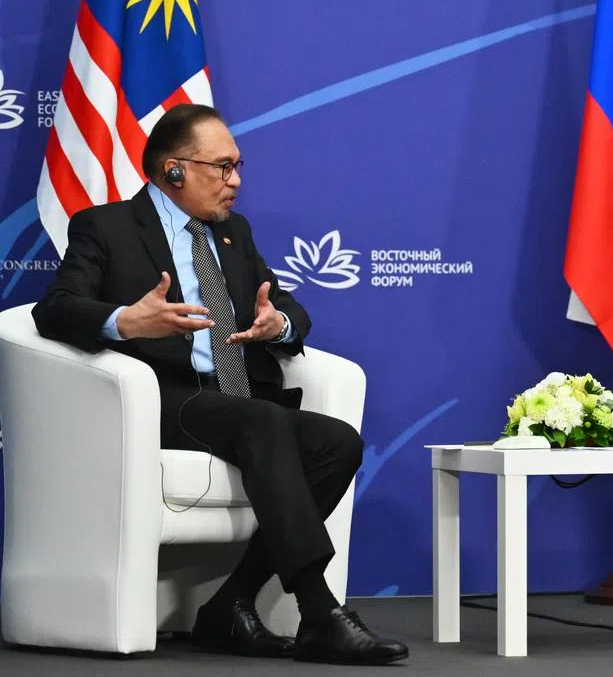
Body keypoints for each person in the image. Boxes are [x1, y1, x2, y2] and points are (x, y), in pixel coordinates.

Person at [32, 104, 408, 666]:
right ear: (173, 170)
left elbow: (282, 303)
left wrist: (275, 324)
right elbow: (54, 310)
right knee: (264, 421)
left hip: (239, 400)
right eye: (223, 167)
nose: (237, 181)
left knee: (338, 442)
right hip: (163, 399)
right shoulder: (105, 227)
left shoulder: (234, 233)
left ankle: (229, 604)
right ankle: (320, 611)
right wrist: (126, 321)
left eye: (237, 167)